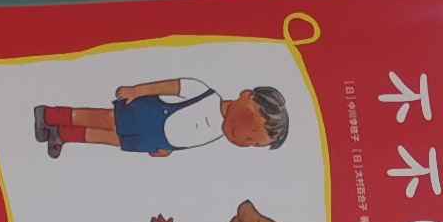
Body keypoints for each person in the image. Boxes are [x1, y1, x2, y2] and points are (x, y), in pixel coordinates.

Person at [34, 78, 288, 157]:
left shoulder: (216, 134)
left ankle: (62, 134)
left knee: (110, 139)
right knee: (102, 120)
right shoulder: (205, 94)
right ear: (246, 96)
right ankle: (49, 115)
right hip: (148, 116)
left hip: (153, 140)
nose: (244, 138)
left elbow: (188, 138)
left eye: (252, 143)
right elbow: (172, 87)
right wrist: (137, 91)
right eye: (250, 126)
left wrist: (168, 149)